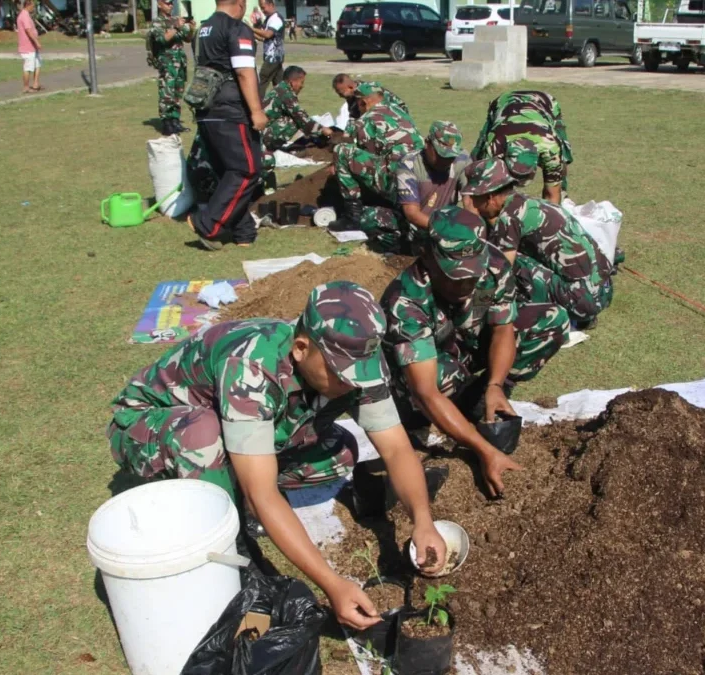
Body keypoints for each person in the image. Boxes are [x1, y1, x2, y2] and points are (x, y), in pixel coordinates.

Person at [108, 282, 447, 629]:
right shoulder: (251, 366)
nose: (352, 384)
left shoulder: (357, 357)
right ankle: (235, 542)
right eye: (341, 375)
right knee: (203, 435)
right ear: (301, 348)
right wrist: (332, 584)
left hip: (230, 425)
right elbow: (263, 493)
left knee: (341, 453)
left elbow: (395, 447)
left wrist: (423, 521)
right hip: (148, 426)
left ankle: (239, 476)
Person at [381, 207, 570, 498]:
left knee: (552, 321)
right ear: (428, 256)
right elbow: (425, 391)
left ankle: (485, 400)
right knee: (441, 380)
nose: (466, 284)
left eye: (472, 275)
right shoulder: (406, 300)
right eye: (454, 276)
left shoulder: (492, 264)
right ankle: (440, 416)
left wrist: (496, 385)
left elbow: (502, 326)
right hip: (427, 370)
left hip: (467, 348)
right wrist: (485, 451)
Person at [463, 158, 614, 329]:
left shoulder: (510, 217)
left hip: (583, 301)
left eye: (476, 199)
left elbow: (499, 274)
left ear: (489, 197)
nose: (475, 205)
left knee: (503, 261)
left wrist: (472, 315)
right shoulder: (532, 204)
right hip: (603, 292)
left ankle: (521, 317)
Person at [189, 0, 268, 250]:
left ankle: (243, 232)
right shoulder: (236, 28)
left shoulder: (201, 30)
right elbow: (245, 72)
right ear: (241, 4)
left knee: (228, 171)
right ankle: (207, 224)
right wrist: (256, 111)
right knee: (247, 169)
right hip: (231, 110)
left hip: (206, 107)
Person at [359, 121, 473, 254]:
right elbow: (412, 213)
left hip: (444, 222)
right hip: (415, 226)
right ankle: (402, 252)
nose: (446, 161)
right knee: (370, 217)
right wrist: (443, 229)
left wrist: (471, 229)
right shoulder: (409, 164)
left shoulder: (463, 159)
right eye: (441, 155)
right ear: (427, 143)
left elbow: (469, 200)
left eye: (450, 157)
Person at [332, 83, 423, 225]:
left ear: (362, 102)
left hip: (399, 184)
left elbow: (362, 157)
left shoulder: (365, 120)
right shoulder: (400, 112)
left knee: (342, 151)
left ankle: (352, 215)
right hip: (423, 180)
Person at [471, 90, 573, 204]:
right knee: (477, 160)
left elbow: (552, 197)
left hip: (543, 102)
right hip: (504, 102)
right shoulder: (493, 148)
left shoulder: (550, 148)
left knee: (562, 158)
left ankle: (563, 192)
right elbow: (483, 190)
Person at [260, 66, 334, 190]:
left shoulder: (281, 90)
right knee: (294, 122)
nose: (302, 86)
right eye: (301, 82)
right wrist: (323, 130)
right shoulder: (285, 93)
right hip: (262, 137)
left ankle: (265, 182)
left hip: (263, 135)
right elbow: (302, 118)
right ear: (292, 81)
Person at [147, 0, 196, 136]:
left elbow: (187, 38)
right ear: (159, 4)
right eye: (167, 3)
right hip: (167, 62)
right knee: (167, 91)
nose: (170, 6)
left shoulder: (176, 20)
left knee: (177, 91)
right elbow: (162, 39)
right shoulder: (158, 22)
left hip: (179, 61)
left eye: (171, 3)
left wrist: (191, 28)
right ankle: (166, 122)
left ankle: (175, 120)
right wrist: (176, 27)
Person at [332, 73, 409, 121]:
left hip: (397, 119)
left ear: (350, 87)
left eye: (342, 93)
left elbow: (379, 115)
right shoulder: (352, 96)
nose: (340, 96)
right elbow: (354, 118)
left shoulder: (368, 91)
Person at [251, 0, 286, 97]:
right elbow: (263, 38)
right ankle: (285, 104)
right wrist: (250, 32)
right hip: (274, 57)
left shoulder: (276, 19)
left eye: (263, 7)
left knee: (262, 79)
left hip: (273, 57)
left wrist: (251, 28)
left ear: (271, 5)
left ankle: (257, 105)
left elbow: (267, 34)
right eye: (261, 8)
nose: (262, 10)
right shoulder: (269, 19)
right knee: (280, 84)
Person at [16, 0, 42, 93]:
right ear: (28, 5)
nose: (33, 8)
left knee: (37, 64)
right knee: (28, 67)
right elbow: (28, 31)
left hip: (33, 46)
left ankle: (36, 83)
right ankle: (26, 87)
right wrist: (36, 41)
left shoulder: (27, 15)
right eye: (33, 6)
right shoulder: (24, 16)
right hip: (28, 46)